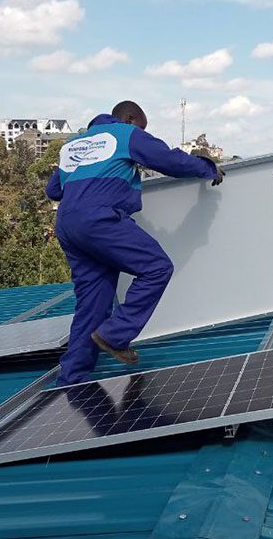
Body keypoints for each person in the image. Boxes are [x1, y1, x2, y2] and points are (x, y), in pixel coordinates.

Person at [46, 100, 225, 386]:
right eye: (142, 127)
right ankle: (114, 334)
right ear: (130, 119)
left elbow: (53, 190)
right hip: (99, 219)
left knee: (92, 302)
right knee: (156, 267)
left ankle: (71, 378)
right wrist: (207, 167)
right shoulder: (126, 135)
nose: (142, 134)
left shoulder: (75, 144)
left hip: (68, 226)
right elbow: (169, 160)